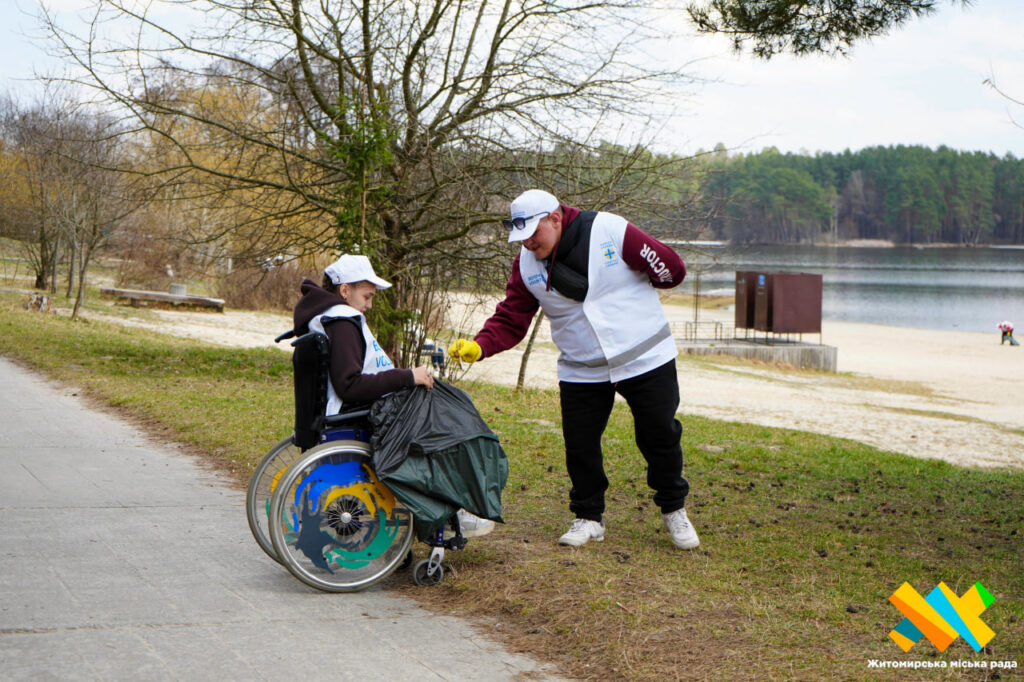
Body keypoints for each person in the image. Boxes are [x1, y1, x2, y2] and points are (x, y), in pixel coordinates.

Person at [448, 189, 699, 550]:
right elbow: (512, 315)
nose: (529, 243)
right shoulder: (525, 263)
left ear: (555, 218)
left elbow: (670, 269)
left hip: (645, 356)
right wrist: (481, 345)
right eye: (522, 238)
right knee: (580, 444)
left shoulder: (609, 230)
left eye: (534, 233)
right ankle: (588, 517)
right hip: (582, 367)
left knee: (659, 434)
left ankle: (674, 509)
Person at [294, 254, 494, 536]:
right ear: (344, 290)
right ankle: (449, 510)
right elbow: (349, 384)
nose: (369, 305)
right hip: (356, 414)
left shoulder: (328, 318)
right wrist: (407, 376)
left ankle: (448, 506)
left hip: (351, 410)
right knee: (446, 421)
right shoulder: (342, 322)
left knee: (440, 411)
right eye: (367, 296)